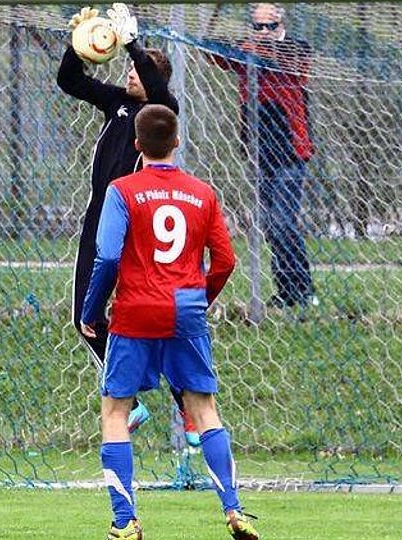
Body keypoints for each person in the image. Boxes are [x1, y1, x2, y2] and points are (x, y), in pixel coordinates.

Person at [81, 105, 258, 540]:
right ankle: (233, 510)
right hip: (185, 311)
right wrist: (198, 300)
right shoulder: (203, 192)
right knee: (204, 411)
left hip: (135, 310)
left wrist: (91, 310)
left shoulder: (122, 191)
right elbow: (227, 260)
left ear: (137, 145)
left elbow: (106, 256)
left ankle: (125, 523)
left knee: (116, 413)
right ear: (176, 142)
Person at [57, 3, 196, 442]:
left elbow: (155, 88)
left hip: (136, 222)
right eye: (133, 69)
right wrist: (77, 45)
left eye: (140, 70)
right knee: (85, 315)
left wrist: (134, 43)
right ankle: (132, 404)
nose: (132, 75)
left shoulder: (161, 109)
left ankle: (186, 409)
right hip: (99, 216)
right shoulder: (116, 102)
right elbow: (69, 81)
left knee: (155, 320)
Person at [207, 2, 315, 308]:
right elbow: (211, 51)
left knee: (283, 222)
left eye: (270, 27)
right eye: (258, 27)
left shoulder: (297, 50)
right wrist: (215, 18)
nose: (264, 33)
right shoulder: (246, 55)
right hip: (259, 153)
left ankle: (303, 289)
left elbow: (285, 60)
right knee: (270, 226)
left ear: (281, 25)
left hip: (292, 152)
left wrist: (248, 48)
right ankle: (286, 293)